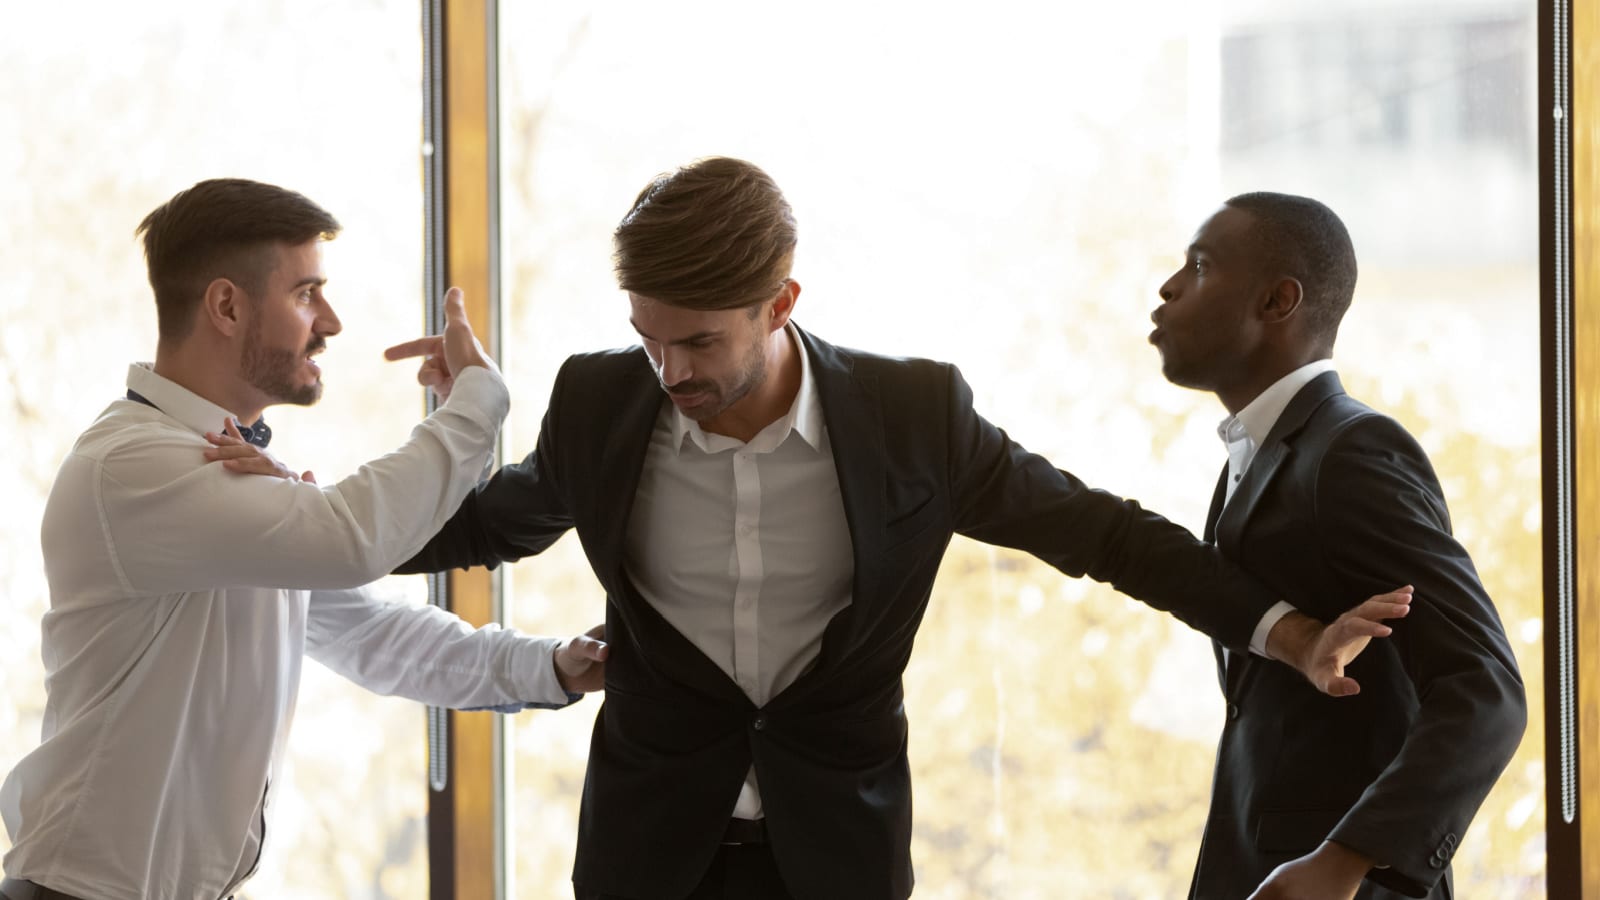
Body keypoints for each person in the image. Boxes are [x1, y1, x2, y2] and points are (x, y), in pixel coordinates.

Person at [396, 157, 1411, 900]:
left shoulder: (910, 418)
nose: (671, 375)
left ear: (780, 302)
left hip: (840, 855)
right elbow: (491, 523)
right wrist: (290, 516)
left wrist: (1281, 630)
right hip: (647, 855)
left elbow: (1101, 534)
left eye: (699, 342)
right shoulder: (600, 403)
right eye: (648, 340)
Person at [0, 178, 608, 900]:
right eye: (306, 293)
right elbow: (351, 538)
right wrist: (476, 400)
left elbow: (371, 635)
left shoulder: (228, 471)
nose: (332, 322)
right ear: (226, 305)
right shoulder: (133, 466)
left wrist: (552, 669)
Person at [1148, 192, 1527, 899]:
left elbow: (1487, 690)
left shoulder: (1348, 454)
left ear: (1277, 302)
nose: (1167, 288)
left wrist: (1347, 858)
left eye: (1198, 266)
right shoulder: (1261, 454)